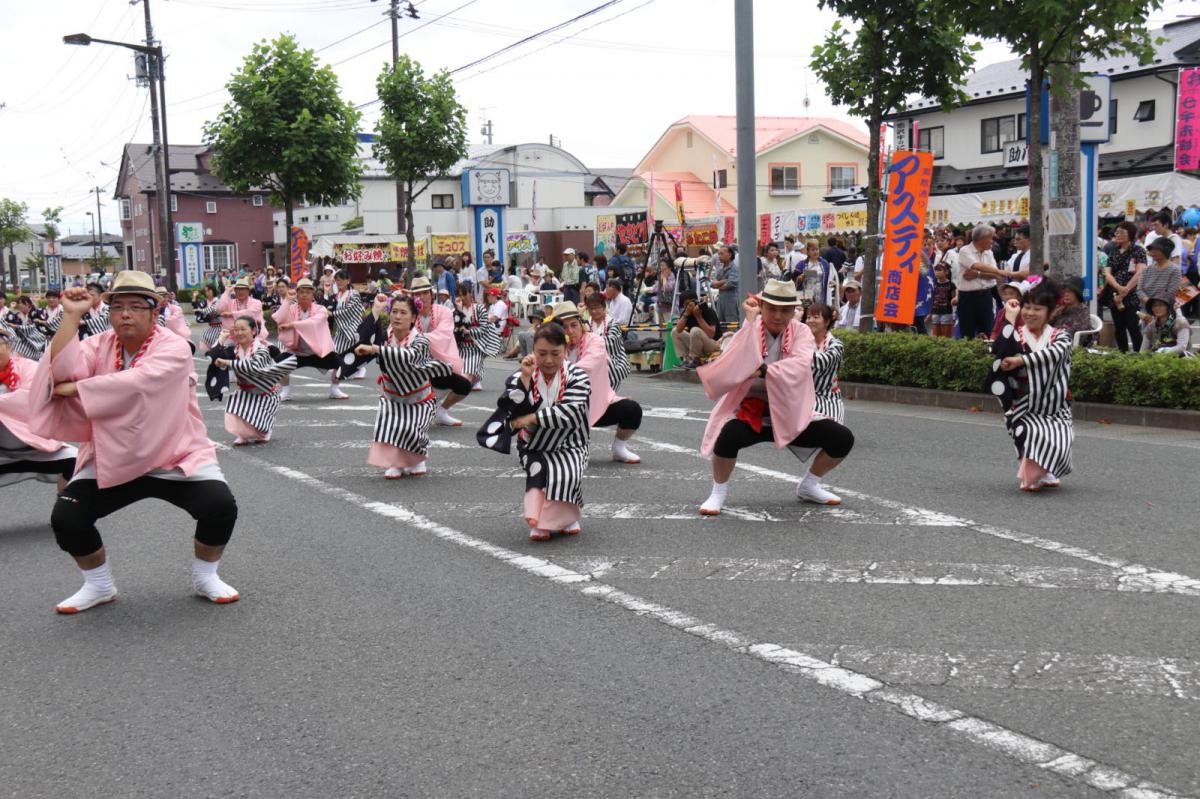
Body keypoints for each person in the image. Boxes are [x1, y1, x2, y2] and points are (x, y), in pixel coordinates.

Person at [28, 271, 240, 613]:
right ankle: (98, 584)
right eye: (118, 306)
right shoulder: (98, 344)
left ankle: (206, 577)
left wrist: (79, 388)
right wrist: (71, 317)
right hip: (112, 452)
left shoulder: (173, 346)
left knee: (219, 506)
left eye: (135, 306)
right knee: (67, 517)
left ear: (154, 312)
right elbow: (60, 371)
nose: (125, 314)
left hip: (174, 451)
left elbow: (140, 383)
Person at [696, 280, 854, 515]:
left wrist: (764, 370)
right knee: (727, 435)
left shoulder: (801, 332)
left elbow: (800, 365)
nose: (778, 316)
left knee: (841, 438)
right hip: (750, 408)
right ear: (761, 307)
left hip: (790, 409)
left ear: (793, 311)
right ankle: (717, 492)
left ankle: (809, 485)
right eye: (771, 309)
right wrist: (750, 324)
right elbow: (734, 359)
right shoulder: (752, 326)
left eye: (785, 310)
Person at [480, 323, 592, 541]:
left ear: (565, 351)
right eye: (542, 353)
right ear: (533, 351)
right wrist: (524, 378)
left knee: (568, 475)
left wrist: (532, 418)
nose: (548, 360)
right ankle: (541, 520)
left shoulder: (578, 376)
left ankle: (564, 518)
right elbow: (510, 405)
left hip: (570, 442)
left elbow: (571, 411)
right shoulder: (524, 373)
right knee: (539, 471)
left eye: (555, 353)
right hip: (533, 443)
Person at [987, 280, 1074, 492]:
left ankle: (1047, 471)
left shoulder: (1060, 336)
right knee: (1024, 434)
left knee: (1060, 440)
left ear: (1049, 312)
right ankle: (1031, 476)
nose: (1030, 313)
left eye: (1037, 309)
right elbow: (998, 349)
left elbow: (1054, 354)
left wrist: (1021, 360)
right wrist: (1009, 318)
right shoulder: (1016, 333)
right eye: (1027, 307)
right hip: (1022, 401)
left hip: (1054, 402)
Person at [355, 295, 453, 479]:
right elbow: (361, 338)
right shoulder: (385, 337)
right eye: (394, 312)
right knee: (392, 428)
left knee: (412, 432)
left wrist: (376, 349)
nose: (397, 317)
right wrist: (376, 309)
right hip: (392, 396)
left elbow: (408, 357)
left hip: (419, 397)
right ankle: (397, 463)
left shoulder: (421, 340)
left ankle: (417, 460)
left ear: (414, 317)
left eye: (403, 312)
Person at [554, 301, 642, 464]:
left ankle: (619, 448)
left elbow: (588, 364)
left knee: (632, 410)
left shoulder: (595, 340)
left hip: (594, 403)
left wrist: (560, 369)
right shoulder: (555, 345)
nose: (570, 331)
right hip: (562, 407)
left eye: (574, 325)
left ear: (581, 324)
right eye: (564, 327)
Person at [0, 322, 77, 490]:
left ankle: (65, 502)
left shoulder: (28, 367)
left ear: (9, 346)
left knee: (77, 462)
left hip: (36, 448)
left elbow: (32, 398)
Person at [209, 316, 295, 446]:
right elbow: (213, 357)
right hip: (245, 392)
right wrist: (221, 339)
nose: (239, 333)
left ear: (253, 331)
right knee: (234, 405)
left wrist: (227, 362)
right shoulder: (234, 350)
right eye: (236, 329)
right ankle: (242, 434)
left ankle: (264, 431)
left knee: (260, 426)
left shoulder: (262, 349)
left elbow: (253, 366)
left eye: (243, 329)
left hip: (265, 394)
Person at [409, 276, 474, 427]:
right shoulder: (408, 313)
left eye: (425, 293)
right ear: (412, 297)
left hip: (438, 362)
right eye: (417, 294)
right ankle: (412, 410)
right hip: (412, 364)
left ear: (431, 294)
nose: (422, 297)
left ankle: (441, 411)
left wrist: (417, 338)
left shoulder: (444, 311)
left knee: (464, 385)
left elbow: (443, 335)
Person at [273, 278, 341, 402]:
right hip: (296, 351)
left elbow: (313, 323)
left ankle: (335, 389)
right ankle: (286, 391)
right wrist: (287, 300)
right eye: (301, 292)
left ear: (312, 295)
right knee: (278, 362)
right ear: (297, 294)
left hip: (317, 352)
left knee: (340, 362)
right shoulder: (291, 308)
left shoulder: (321, 309)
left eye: (308, 292)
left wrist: (292, 325)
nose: (304, 295)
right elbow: (278, 318)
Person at [1100, 221, 1147, 352]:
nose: (1118, 235)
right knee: (1119, 327)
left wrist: (1125, 289)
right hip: (1115, 294)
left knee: (1133, 325)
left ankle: (1139, 355)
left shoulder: (1138, 250)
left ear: (1130, 234)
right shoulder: (1113, 251)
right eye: (1116, 232)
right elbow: (1107, 273)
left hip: (1132, 294)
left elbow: (1140, 272)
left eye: (1121, 232)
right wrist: (1118, 287)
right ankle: (1122, 354)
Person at [955, 225, 1003, 339]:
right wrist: (992, 272)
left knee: (988, 331)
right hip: (967, 297)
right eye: (990, 238)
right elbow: (977, 265)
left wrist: (977, 274)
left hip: (986, 295)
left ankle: (988, 351)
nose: (992, 241)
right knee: (967, 332)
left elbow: (995, 274)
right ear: (981, 239)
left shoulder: (989, 252)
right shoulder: (965, 250)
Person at [803, 302, 845, 425]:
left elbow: (824, 361)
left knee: (833, 431)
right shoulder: (802, 342)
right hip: (803, 396)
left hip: (829, 397)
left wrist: (799, 355)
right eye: (808, 317)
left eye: (816, 317)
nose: (810, 321)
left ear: (826, 322)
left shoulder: (836, 344)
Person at [454, 283, 501, 392]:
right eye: (460, 295)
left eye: (464, 294)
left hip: (476, 347)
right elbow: (455, 327)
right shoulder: (456, 309)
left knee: (464, 380)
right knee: (457, 375)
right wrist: (459, 311)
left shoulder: (479, 308)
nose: (462, 298)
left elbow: (484, 329)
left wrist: (469, 331)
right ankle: (475, 378)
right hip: (462, 347)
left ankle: (474, 377)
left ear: (470, 293)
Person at [584, 292, 632, 394]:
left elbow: (610, 343)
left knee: (608, 396)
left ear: (604, 307)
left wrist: (590, 341)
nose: (594, 311)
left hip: (612, 366)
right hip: (591, 368)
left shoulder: (613, 324)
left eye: (597, 308)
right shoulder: (586, 324)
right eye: (591, 308)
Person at [328, 269, 366, 387]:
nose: (339, 282)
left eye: (341, 280)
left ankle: (361, 368)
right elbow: (329, 305)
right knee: (337, 348)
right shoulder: (338, 295)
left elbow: (350, 310)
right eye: (337, 280)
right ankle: (340, 368)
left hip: (352, 326)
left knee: (354, 350)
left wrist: (333, 313)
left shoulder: (354, 293)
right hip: (342, 326)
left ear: (348, 281)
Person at [671, 290, 721, 369]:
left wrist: (698, 316)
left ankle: (696, 360)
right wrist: (686, 314)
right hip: (697, 346)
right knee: (675, 332)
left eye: (690, 303)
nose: (689, 306)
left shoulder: (708, 311)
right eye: (686, 304)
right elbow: (678, 330)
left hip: (714, 345)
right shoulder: (687, 312)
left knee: (695, 330)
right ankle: (686, 360)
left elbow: (711, 334)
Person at [216, 277, 267, 343]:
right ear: (234, 291)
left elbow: (250, 313)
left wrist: (231, 314)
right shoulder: (231, 302)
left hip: (255, 338)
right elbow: (219, 309)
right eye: (238, 289)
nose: (240, 292)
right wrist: (227, 291)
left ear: (248, 291)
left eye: (243, 289)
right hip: (233, 339)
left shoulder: (257, 302)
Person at [793, 239, 840, 309]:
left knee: (821, 312)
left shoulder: (825, 264)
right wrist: (800, 278)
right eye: (813, 250)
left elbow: (829, 278)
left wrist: (832, 282)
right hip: (807, 294)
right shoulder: (801, 264)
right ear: (808, 251)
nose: (815, 252)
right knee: (808, 311)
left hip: (821, 293)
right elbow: (795, 280)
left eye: (817, 249)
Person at [1138, 237, 1181, 307]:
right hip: (1145, 308)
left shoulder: (1174, 270)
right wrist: (1149, 303)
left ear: (1166, 251)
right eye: (1151, 249)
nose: (1152, 252)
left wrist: (1155, 305)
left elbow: (1171, 293)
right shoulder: (1147, 269)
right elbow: (1139, 290)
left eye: (1156, 249)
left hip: (1164, 308)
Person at [1052, 276, 1093, 345]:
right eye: (1064, 291)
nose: (1066, 294)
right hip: (1052, 341)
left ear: (1077, 294)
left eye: (1069, 292)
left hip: (1068, 344)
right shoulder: (1061, 308)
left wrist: (1055, 335)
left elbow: (1077, 333)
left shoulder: (1082, 311)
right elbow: (1047, 324)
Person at [711, 244, 742, 327]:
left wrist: (718, 284)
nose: (719, 256)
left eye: (721, 254)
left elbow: (730, 284)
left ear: (729, 255)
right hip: (721, 300)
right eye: (718, 254)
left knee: (732, 325)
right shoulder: (720, 268)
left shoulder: (734, 268)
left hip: (731, 301)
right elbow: (712, 284)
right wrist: (724, 281)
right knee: (721, 324)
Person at [928, 263, 957, 338]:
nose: (937, 272)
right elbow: (931, 298)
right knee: (935, 335)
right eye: (936, 270)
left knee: (945, 336)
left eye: (939, 270)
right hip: (935, 312)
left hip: (947, 312)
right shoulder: (933, 284)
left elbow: (954, 299)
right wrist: (930, 312)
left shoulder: (951, 285)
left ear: (946, 272)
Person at [651, 259, 678, 323]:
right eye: (660, 265)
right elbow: (654, 289)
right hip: (661, 306)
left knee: (670, 326)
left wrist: (664, 278)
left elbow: (667, 289)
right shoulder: (661, 276)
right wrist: (660, 281)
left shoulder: (672, 277)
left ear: (669, 268)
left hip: (670, 307)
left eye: (663, 265)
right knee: (662, 327)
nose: (661, 268)